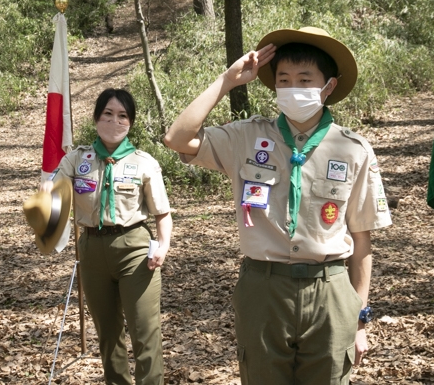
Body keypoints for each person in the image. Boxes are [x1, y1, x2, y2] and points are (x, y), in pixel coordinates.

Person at [163, 27, 392, 384]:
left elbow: (361, 241)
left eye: (304, 79)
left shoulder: (353, 149)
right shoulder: (247, 137)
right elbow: (177, 138)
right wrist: (227, 81)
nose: (293, 88)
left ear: (328, 87)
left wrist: (360, 318)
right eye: (283, 80)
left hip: (330, 290)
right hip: (263, 289)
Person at [41, 88, 172, 385]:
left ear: (131, 122)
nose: (115, 121)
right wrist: (47, 195)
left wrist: (163, 247)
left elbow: (162, 214)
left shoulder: (144, 163)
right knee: (108, 335)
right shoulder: (78, 159)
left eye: (123, 116)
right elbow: (56, 193)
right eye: (108, 114)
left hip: (135, 250)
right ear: (97, 118)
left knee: (144, 333)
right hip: (92, 250)